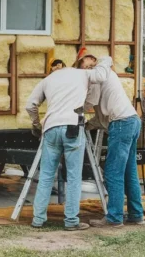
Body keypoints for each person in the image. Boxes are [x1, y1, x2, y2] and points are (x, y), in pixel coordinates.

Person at [26, 52, 113, 231]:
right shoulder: (83, 74)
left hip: (50, 127)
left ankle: (38, 219)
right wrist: (105, 59)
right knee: (73, 177)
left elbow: (30, 105)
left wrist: (36, 124)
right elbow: (102, 76)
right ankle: (71, 221)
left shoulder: (48, 79)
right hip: (73, 126)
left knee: (46, 176)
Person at [77, 54, 144, 228]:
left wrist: (71, 109)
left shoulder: (99, 76)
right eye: (84, 68)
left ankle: (114, 217)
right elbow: (100, 118)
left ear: (95, 65)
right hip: (132, 121)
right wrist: (87, 125)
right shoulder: (107, 75)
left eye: (88, 66)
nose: (87, 71)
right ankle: (136, 214)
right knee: (129, 173)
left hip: (121, 124)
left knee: (113, 172)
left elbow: (90, 102)